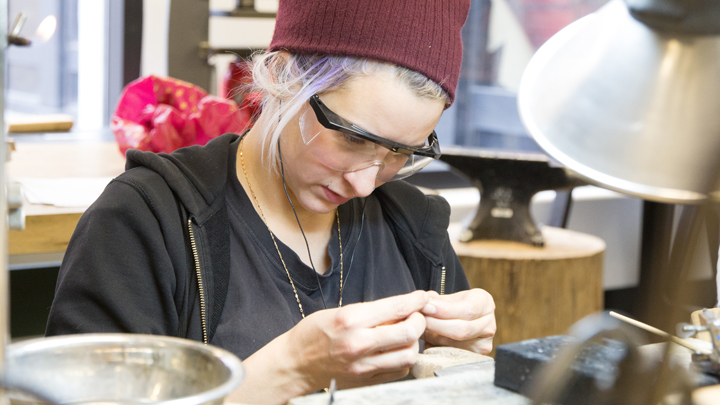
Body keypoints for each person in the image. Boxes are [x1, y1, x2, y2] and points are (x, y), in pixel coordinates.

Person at [46, 0, 496, 403]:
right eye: (353, 140)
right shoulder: (146, 222)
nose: (365, 184)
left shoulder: (412, 228)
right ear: (282, 76)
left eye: (401, 153)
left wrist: (460, 370)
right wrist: (290, 369)